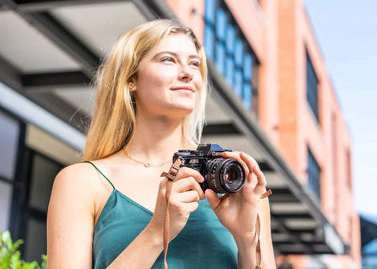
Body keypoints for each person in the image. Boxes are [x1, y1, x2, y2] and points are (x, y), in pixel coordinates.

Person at [47, 19, 276, 269]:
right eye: (168, 59)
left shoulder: (233, 180)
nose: (188, 73)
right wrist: (157, 231)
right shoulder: (81, 182)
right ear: (130, 78)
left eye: (194, 64)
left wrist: (246, 239)